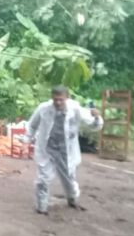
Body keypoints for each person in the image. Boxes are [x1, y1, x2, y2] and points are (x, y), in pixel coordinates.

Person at [26, 86, 103, 214]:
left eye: (61, 100)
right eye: (55, 99)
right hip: (48, 149)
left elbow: (93, 125)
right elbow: (32, 125)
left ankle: (72, 199)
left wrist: (96, 117)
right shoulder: (44, 109)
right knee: (43, 179)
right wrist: (26, 139)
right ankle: (42, 206)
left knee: (69, 178)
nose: (58, 102)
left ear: (67, 98)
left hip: (67, 151)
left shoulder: (75, 109)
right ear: (52, 98)